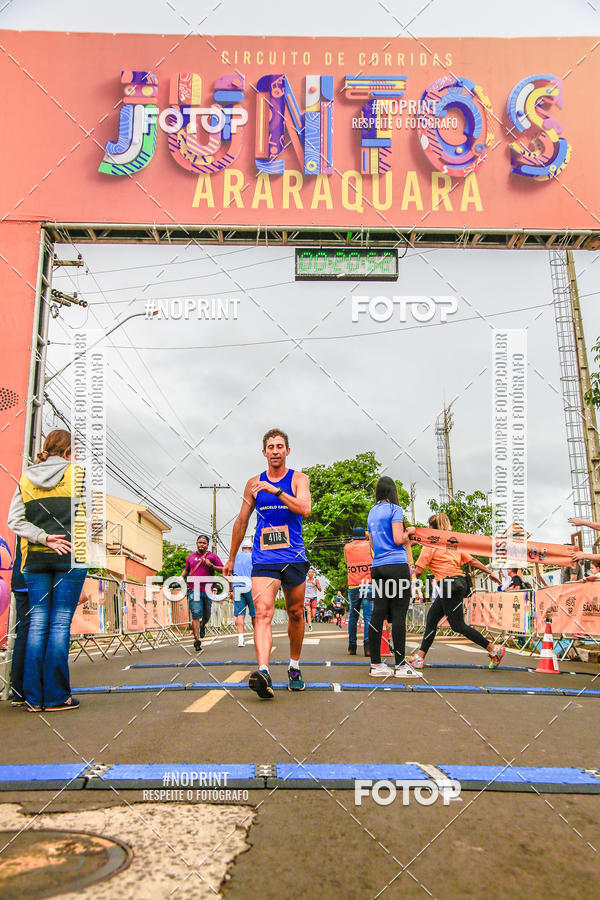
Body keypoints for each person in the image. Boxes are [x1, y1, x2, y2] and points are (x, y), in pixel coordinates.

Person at [224, 428, 311, 699]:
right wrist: (231, 557)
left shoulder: (298, 479)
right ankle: (264, 671)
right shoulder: (253, 483)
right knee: (262, 612)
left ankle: (294, 666)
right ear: (264, 452)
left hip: (294, 557)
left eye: (279, 446)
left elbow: (304, 508)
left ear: (287, 451)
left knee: (296, 612)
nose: (275, 450)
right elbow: (241, 521)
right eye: (270, 447)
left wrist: (276, 491)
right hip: (264, 559)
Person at [7, 429, 87, 711]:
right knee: (60, 624)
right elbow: (85, 520)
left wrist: (42, 537)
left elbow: (14, 521)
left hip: (35, 558)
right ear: (68, 452)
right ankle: (56, 696)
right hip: (70, 557)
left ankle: (34, 698)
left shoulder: (26, 478)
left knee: (38, 624)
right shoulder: (78, 475)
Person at [407, 513, 505, 671]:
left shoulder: (431, 544)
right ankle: (420, 657)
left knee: (457, 625)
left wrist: (406, 581)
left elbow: (418, 571)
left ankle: (494, 649)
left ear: (432, 528)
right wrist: (489, 572)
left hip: (448, 584)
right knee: (432, 617)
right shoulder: (452, 544)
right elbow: (471, 560)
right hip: (458, 583)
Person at [366, 476, 416, 678]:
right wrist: (409, 532)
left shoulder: (371, 513)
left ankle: (376, 664)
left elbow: (371, 545)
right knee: (398, 616)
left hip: (378, 566)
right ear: (392, 492)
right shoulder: (395, 509)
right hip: (396, 565)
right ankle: (401, 666)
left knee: (377, 614)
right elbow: (398, 539)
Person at [182, 535, 223, 652]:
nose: (201, 545)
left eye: (204, 543)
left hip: (208, 590)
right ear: (196, 543)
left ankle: (202, 625)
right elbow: (186, 570)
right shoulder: (190, 557)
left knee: (207, 615)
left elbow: (222, 569)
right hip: (193, 589)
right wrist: (180, 579)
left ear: (207, 545)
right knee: (196, 613)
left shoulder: (213, 556)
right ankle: (196, 639)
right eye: (200, 542)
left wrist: (212, 566)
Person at [344, 526, 374, 656]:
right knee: (368, 616)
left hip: (353, 585)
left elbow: (347, 562)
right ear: (364, 535)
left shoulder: (347, 547)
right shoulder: (369, 546)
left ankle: (352, 646)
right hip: (367, 583)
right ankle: (367, 647)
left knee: (353, 616)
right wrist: (369, 535)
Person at [9, 540, 30, 705]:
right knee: (40, 631)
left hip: (20, 576)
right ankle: (34, 688)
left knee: (23, 631)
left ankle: (18, 690)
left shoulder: (20, 516)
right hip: (35, 576)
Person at [232, 538, 255, 648]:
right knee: (254, 613)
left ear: (242, 548)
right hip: (251, 586)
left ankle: (240, 640)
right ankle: (257, 637)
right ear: (251, 549)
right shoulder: (253, 557)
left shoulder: (235, 557)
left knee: (240, 615)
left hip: (237, 587)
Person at [304, 567, 321, 631]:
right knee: (308, 611)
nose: (310, 573)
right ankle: (310, 626)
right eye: (309, 572)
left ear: (313, 574)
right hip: (307, 597)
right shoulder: (305, 581)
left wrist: (316, 585)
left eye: (312, 572)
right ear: (307, 574)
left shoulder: (316, 580)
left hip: (314, 598)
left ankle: (310, 619)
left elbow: (320, 589)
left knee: (313, 614)